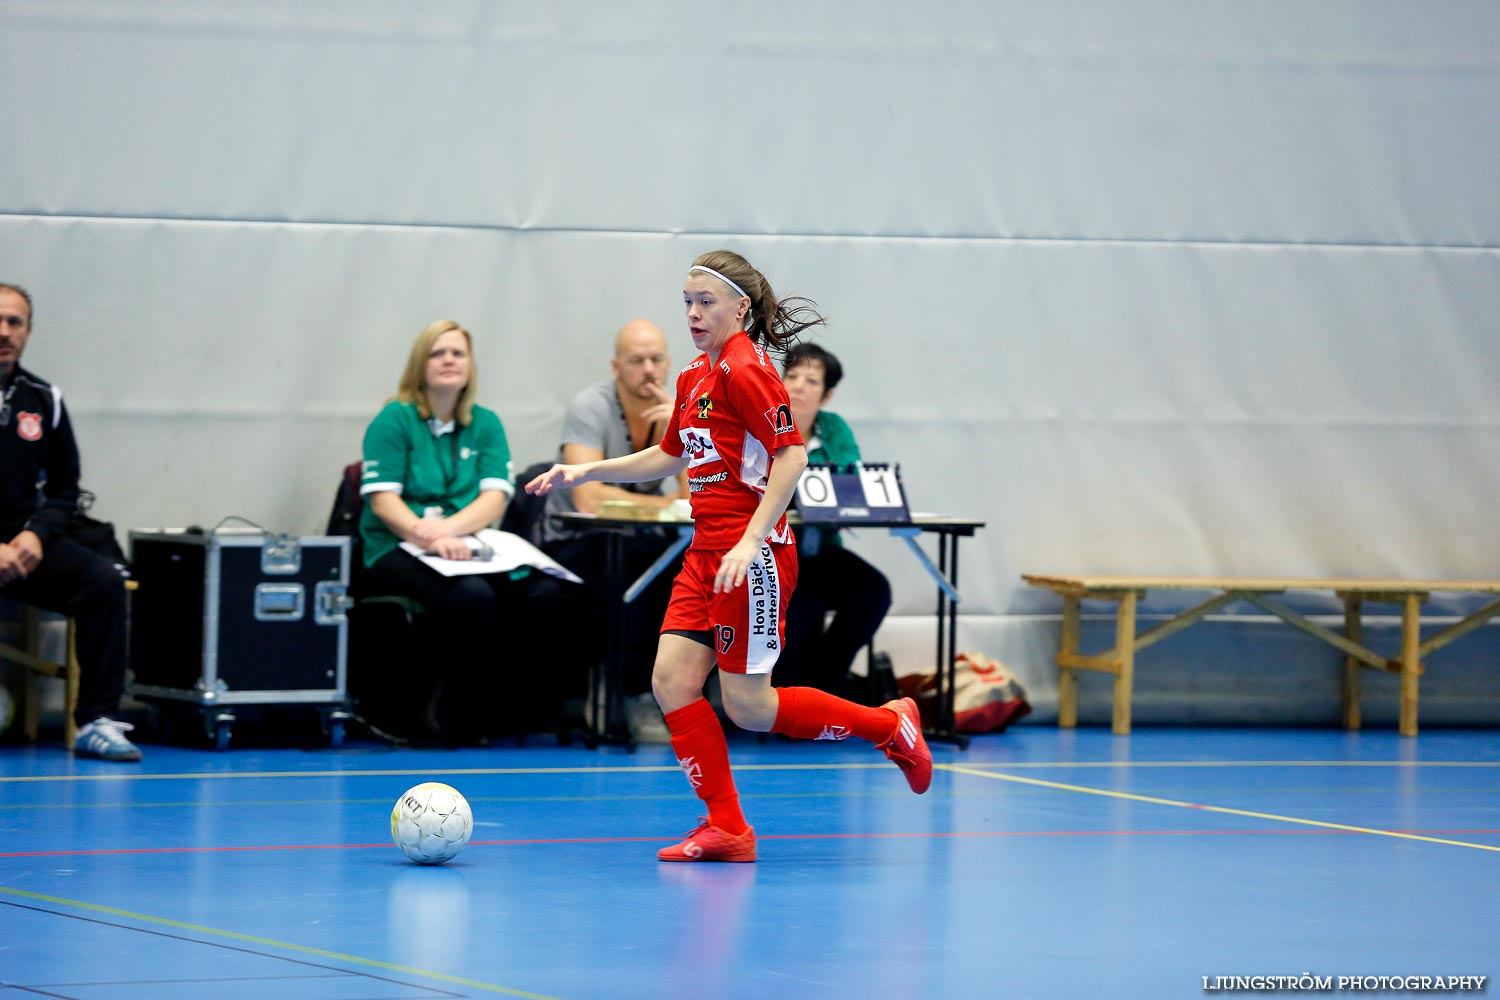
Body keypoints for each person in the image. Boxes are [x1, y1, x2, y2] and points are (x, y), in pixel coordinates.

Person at [528, 250, 931, 863]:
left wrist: (750, 539)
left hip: (754, 556)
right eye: (687, 302)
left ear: (741, 308)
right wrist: (578, 471)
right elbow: (667, 457)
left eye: (705, 302)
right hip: (706, 550)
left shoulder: (748, 370)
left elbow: (790, 457)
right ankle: (727, 827)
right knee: (670, 681)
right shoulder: (692, 376)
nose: (692, 313)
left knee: (751, 707)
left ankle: (890, 725)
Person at [358, 319, 564, 743]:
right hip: (395, 546)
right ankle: (459, 720)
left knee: (544, 593)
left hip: (463, 541)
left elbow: (493, 498)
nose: (449, 360)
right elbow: (382, 500)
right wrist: (427, 534)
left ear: (470, 365)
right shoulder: (394, 419)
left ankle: (515, 713)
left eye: (458, 353)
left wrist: (448, 531)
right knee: (473, 596)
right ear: (421, 363)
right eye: (438, 353)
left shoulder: (485, 423)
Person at [0, 282, 141, 762]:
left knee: (104, 581)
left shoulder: (43, 398)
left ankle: (96, 722)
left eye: (14, 322)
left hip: (22, 546)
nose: (4, 331)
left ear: (29, 332)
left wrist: (35, 535)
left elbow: (65, 488)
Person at [539, 319, 688, 742]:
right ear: (616, 367)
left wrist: (680, 428)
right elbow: (588, 499)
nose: (648, 370)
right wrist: (663, 505)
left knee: (681, 574)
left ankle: (657, 693)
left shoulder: (679, 406)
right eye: (636, 360)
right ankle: (618, 693)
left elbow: (691, 496)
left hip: (637, 538)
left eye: (656, 359)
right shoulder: (592, 406)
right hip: (572, 539)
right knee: (631, 576)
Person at [776, 343, 893, 702]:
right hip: (776, 551)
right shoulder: (764, 423)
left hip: (821, 548)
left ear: (826, 395)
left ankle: (828, 684)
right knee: (805, 606)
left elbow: (851, 481)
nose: (797, 386)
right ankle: (791, 698)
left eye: (810, 380)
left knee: (873, 591)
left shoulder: (834, 427)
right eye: (791, 376)